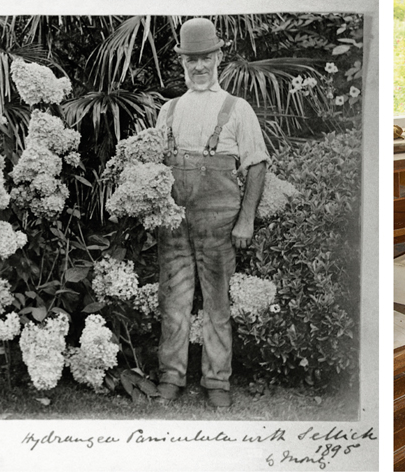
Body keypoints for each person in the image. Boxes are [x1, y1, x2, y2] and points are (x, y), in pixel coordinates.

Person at [154, 17, 268, 408]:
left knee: (218, 306)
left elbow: (256, 164)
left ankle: (217, 382)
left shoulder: (237, 109)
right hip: (174, 225)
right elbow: (154, 170)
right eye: (191, 60)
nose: (199, 67)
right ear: (182, 63)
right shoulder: (167, 111)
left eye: (205, 58)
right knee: (173, 303)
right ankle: (170, 378)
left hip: (220, 223)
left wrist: (247, 218)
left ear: (218, 57)